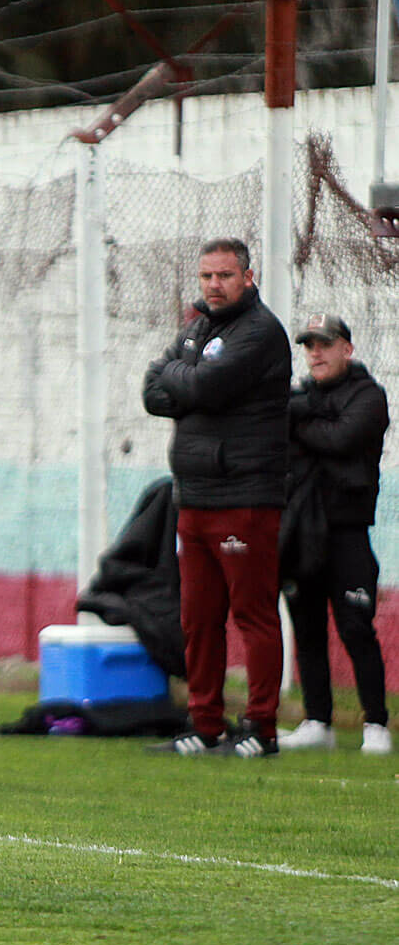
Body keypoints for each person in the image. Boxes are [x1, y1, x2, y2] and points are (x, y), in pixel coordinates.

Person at [142, 237, 291, 758]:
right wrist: (188, 379)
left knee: (252, 614)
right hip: (194, 497)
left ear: (248, 277)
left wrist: (182, 379)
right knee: (198, 617)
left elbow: (202, 388)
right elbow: (151, 390)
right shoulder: (198, 327)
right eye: (207, 276)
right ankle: (205, 723)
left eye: (225, 276)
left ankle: (261, 728)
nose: (214, 286)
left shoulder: (262, 333)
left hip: (245, 496)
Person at [278, 314, 392, 754]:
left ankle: (376, 724)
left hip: (347, 533)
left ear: (347, 348)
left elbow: (343, 439)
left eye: (325, 344)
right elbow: (283, 433)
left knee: (355, 627)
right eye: (309, 346)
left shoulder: (369, 396)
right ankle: (317, 721)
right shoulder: (299, 398)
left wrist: (303, 427)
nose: (316, 353)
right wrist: (308, 424)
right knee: (305, 628)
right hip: (300, 533)